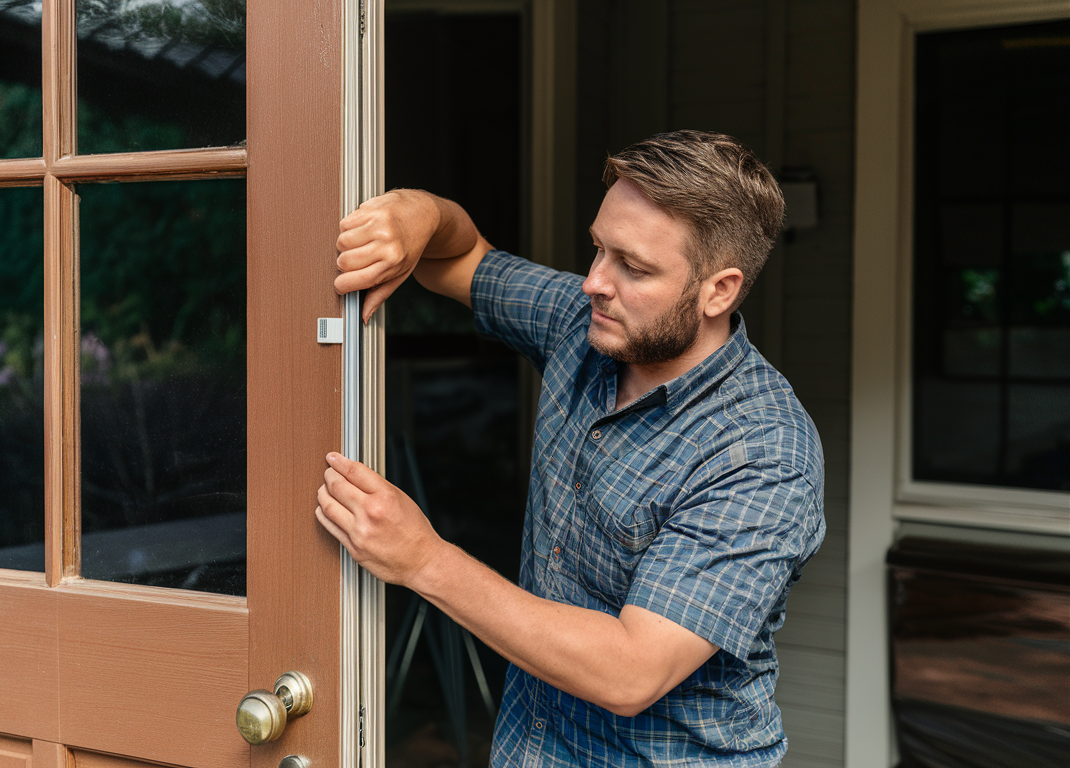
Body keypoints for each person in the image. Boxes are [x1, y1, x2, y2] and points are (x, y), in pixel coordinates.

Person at [315, 129, 825, 767]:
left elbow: (631, 671)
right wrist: (419, 212)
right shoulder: (582, 324)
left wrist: (423, 560)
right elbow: (461, 256)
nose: (593, 283)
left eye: (633, 266)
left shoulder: (763, 451)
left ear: (718, 291)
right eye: (597, 249)